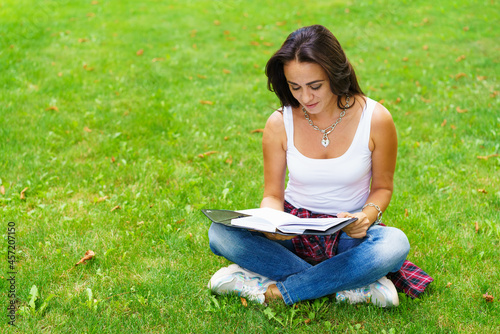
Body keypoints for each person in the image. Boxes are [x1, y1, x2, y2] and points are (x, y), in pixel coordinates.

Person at [207, 25, 433, 307]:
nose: (305, 98)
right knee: (219, 233)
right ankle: (354, 283)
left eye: (315, 86)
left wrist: (366, 216)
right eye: (295, 87)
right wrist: (272, 223)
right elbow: (273, 194)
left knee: (394, 244)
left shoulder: (375, 119)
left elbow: (383, 188)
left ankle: (276, 288)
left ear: (336, 75)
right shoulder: (279, 122)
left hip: (348, 235)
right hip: (294, 229)